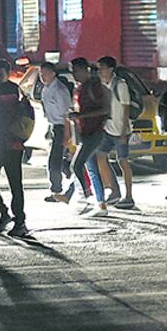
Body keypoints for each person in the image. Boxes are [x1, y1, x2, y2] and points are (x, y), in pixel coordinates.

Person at [55, 58, 111, 217]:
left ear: (85, 69)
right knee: (91, 169)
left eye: (76, 71)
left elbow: (104, 110)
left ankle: (88, 197)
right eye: (72, 71)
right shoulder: (79, 88)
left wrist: (81, 115)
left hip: (95, 132)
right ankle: (100, 204)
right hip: (85, 133)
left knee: (76, 165)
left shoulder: (94, 87)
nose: (74, 74)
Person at [0, 59, 29, 235]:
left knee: (14, 184)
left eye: (0, 74)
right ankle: (4, 213)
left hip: (10, 143)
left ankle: (19, 221)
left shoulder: (10, 90)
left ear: (8, 74)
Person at [96, 56, 135, 210]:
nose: (100, 71)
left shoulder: (120, 85)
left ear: (111, 69)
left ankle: (129, 196)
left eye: (102, 68)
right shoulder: (102, 85)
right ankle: (114, 191)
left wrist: (124, 132)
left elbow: (126, 108)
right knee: (100, 156)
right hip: (108, 128)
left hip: (120, 130)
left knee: (123, 161)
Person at [39, 62, 73, 203]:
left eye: (45, 73)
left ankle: (57, 190)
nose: (42, 76)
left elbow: (66, 114)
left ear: (53, 73)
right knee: (60, 161)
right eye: (41, 74)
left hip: (62, 127)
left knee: (54, 161)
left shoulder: (59, 90)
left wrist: (67, 134)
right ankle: (71, 182)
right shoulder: (46, 89)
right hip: (55, 126)